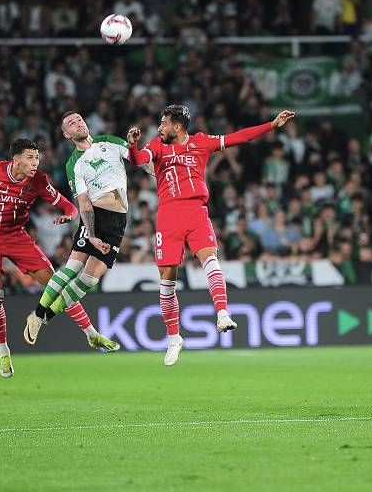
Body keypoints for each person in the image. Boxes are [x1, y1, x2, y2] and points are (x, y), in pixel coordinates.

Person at [126, 104, 295, 366]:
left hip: (195, 211)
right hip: (168, 216)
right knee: (167, 281)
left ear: (178, 126)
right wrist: (132, 146)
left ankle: (223, 313)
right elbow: (137, 160)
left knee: (211, 260)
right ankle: (174, 338)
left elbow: (239, 137)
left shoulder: (202, 142)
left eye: (164, 123)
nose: (159, 128)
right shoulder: (157, 146)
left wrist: (271, 126)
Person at [0, 139, 111, 376]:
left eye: (37, 158)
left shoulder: (39, 180)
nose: (35, 163)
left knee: (56, 284)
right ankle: (3, 353)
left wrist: (70, 216)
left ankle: (91, 334)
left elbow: (68, 206)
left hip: (17, 238)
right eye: (30, 158)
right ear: (16, 159)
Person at [24, 111, 137, 347]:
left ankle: (46, 317)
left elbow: (138, 160)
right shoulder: (74, 163)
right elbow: (83, 203)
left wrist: (139, 151)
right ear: (66, 134)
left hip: (119, 220)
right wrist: (92, 235)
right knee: (72, 268)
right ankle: (36, 314)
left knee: (88, 281)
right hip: (97, 215)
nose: (78, 123)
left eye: (79, 120)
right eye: (71, 124)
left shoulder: (111, 141)